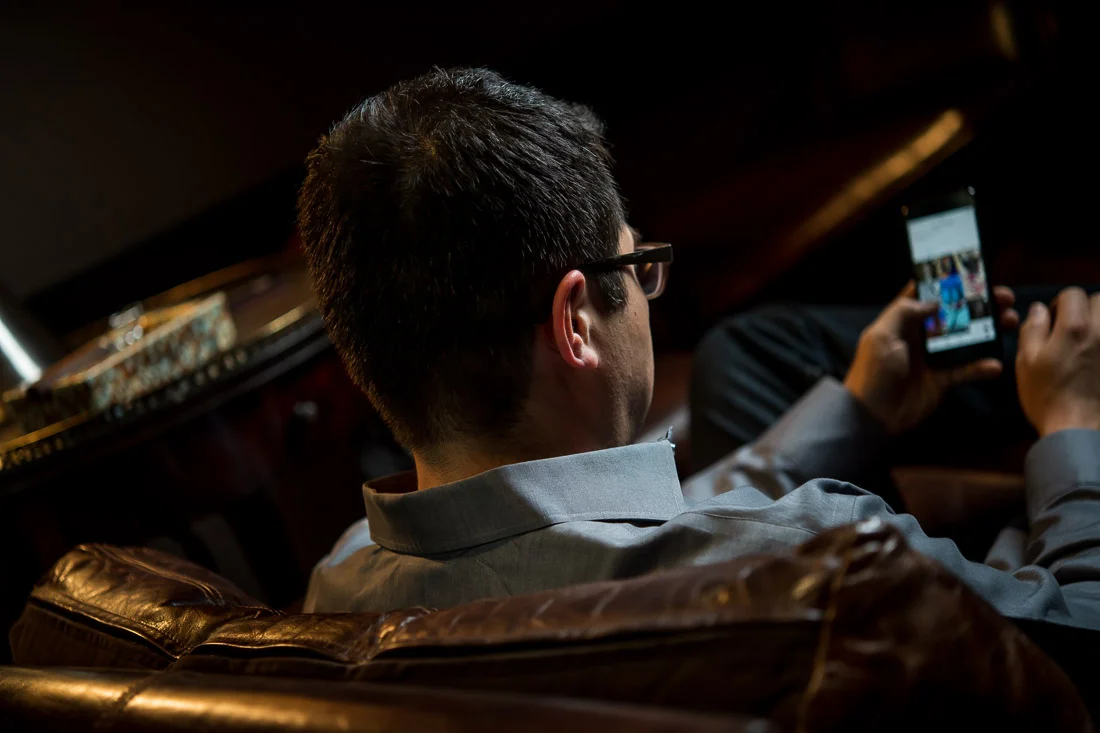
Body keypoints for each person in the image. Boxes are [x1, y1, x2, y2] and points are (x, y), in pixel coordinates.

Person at [298, 67, 1100, 629]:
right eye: (639, 264)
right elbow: (1083, 629)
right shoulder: (830, 550)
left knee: (743, 351)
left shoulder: (340, 580)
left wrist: (854, 406)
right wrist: (1070, 424)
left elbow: (618, 527)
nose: (648, 291)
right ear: (576, 319)